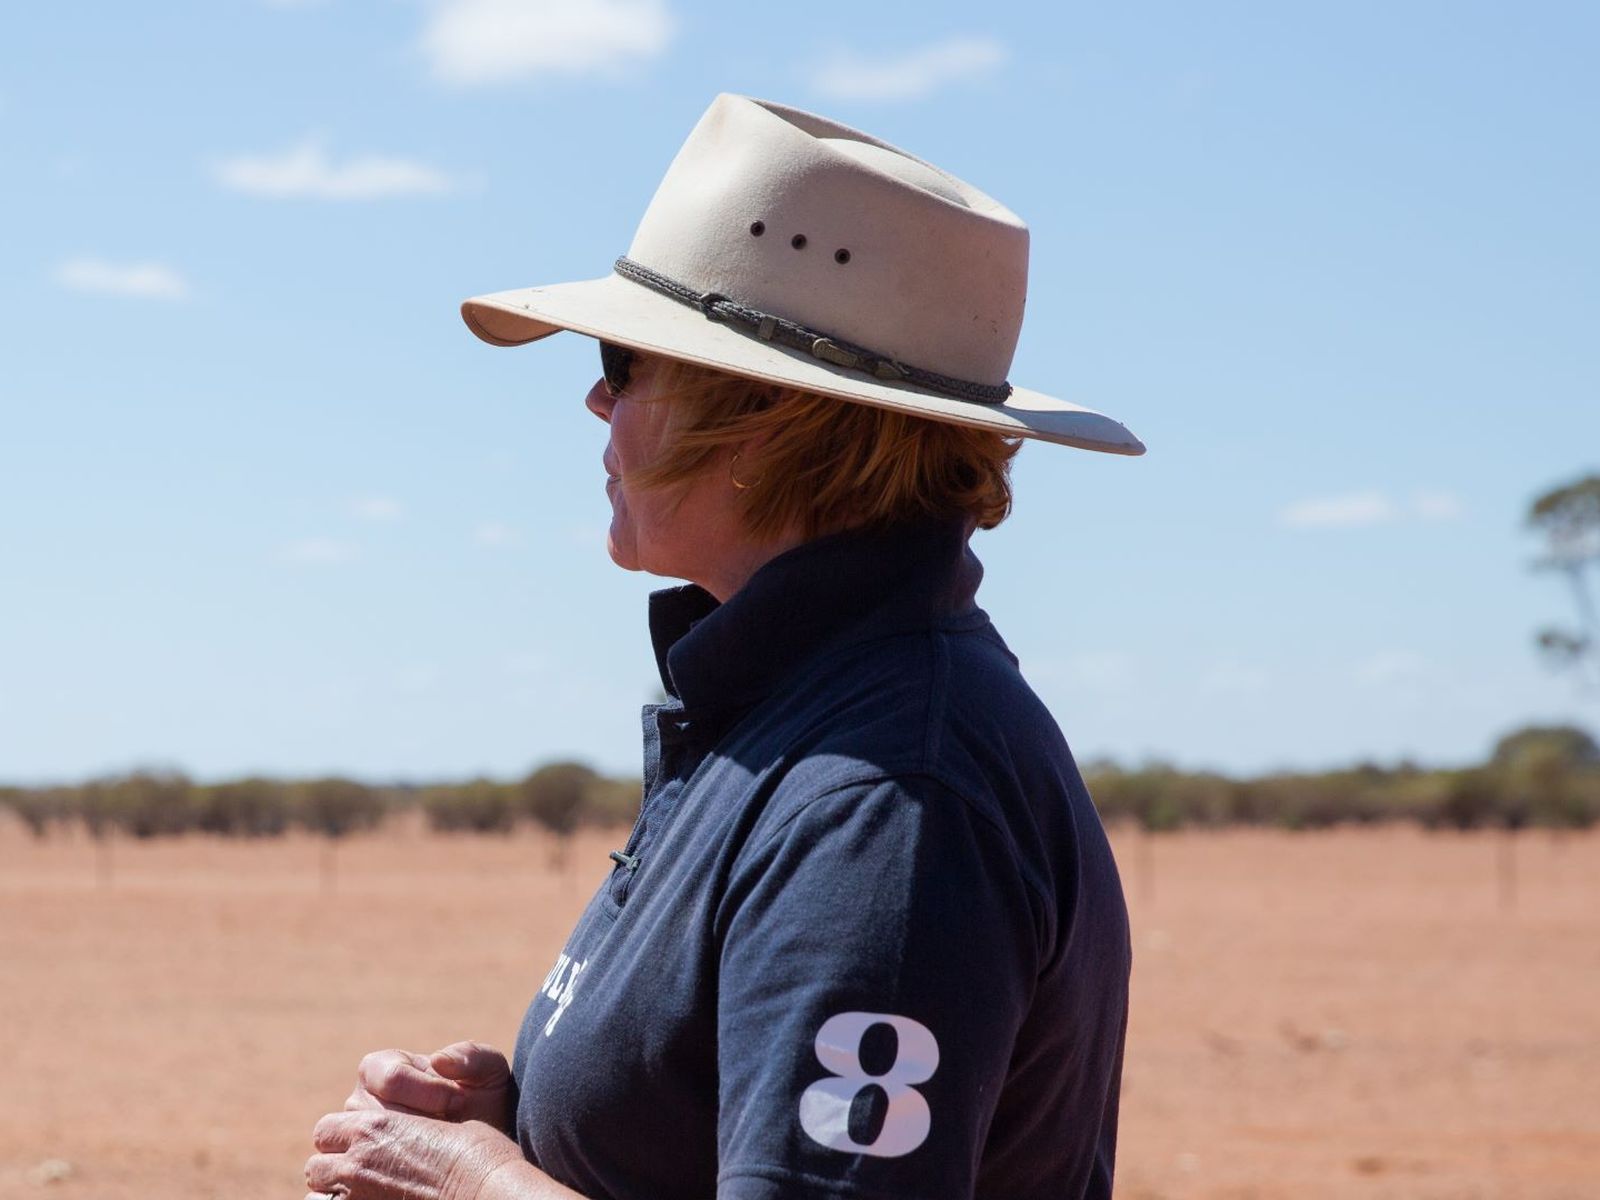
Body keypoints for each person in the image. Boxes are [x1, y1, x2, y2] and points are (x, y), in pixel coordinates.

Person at [305, 93, 1144, 1200]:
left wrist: (472, 1184)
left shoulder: (887, 799)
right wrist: (533, 1133)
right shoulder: (811, 719)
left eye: (627, 360)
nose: (595, 398)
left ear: (761, 418)